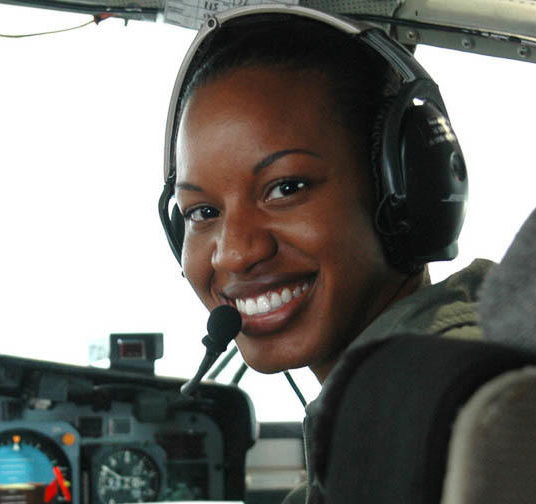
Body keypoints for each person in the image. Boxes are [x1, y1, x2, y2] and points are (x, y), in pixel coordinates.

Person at [158, 5, 493, 503]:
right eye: (202, 212)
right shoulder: (405, 398)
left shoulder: (432, 417)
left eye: (285, 187)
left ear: (406, 188)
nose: (234, 254)